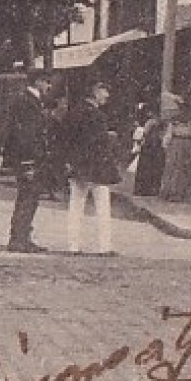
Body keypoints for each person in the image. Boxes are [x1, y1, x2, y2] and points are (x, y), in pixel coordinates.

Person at [0, 70, 55, 253]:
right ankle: (18, 239)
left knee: (30, 198)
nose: (49, 86)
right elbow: (25, 136)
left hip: (29, 158)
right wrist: (28, 162)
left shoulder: (29, 100)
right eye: (47, 82)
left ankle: (23, 237)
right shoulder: (27, 102)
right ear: (38, 82)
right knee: (27, 198)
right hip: (28, 159)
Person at [64, 81, 121, 256]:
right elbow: (98, 141)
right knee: (102, 205)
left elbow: (69, 138)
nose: (107, 95)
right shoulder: (98, 115)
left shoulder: (74, 112)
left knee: (76, 204)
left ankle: (73, 245)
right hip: (98, 165)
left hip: (79, 165)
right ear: (95, 91)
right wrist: (109, 137)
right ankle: (104, 246)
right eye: (104, 91)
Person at [134, 94, 179, 198]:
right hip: (152, 146)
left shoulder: (157, 122)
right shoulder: (154, 122)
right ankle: (147, 189)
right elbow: (146, 132)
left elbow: (145, 133)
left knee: (151, 167)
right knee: (151, 167)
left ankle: (147, 189)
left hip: (153, 146)